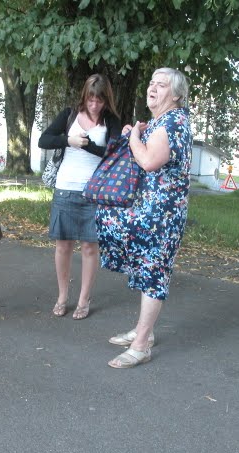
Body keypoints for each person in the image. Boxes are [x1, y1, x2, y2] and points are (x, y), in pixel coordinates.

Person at [96, 67, 192, 368]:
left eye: (161, 85)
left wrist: (135, 136)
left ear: (176, 95)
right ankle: (143, 332)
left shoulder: (172, 122)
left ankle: (140, 347)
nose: (152, 87)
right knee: (146, 269)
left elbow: (149, 160)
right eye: (151, 82)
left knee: (153, 274)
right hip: (151, 211)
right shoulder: (163, 121)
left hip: (161, 215)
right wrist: (136, 134)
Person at [38, 74, 122, 320]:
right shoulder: (69, 115)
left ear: (106, 100)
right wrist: (68, 140)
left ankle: (84, 299)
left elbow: (114, 153)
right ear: (84, 96)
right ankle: (62, 296)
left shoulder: (111, 120)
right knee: (63, 245)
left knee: (89, 247)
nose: (94, 105)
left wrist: (86, 145)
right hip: (65, 188)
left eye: (99, 100)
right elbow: (44, 140)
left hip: (95, 192)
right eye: (90, 99)